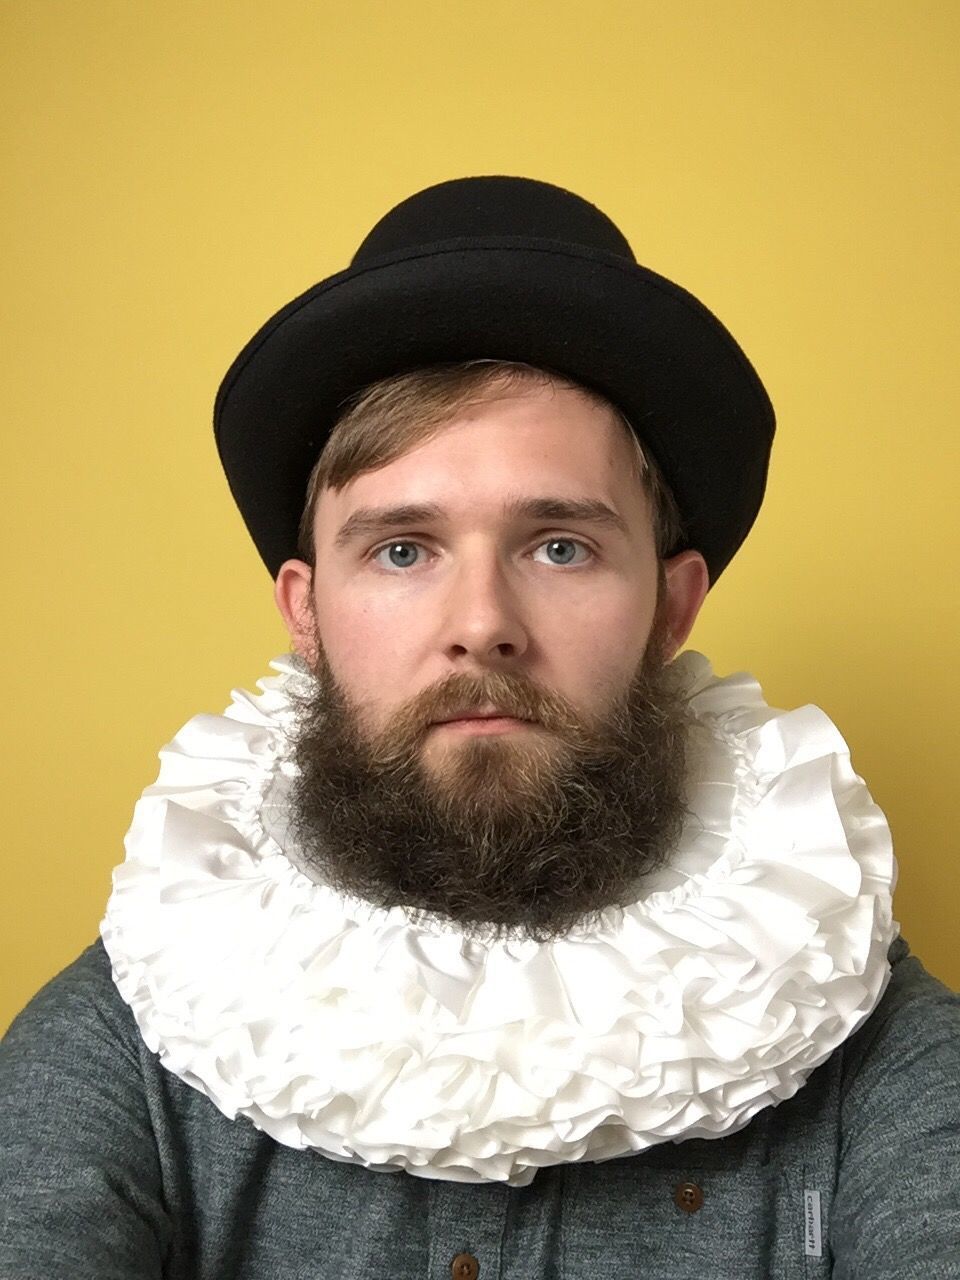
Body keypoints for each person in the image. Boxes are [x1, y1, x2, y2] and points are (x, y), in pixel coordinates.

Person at [1, 175, 958, 1279]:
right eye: (402, 549)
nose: (483, 627)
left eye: (560, 545)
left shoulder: (872, 1046)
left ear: (673, 607)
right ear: (306, 612)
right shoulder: (129, 1040)